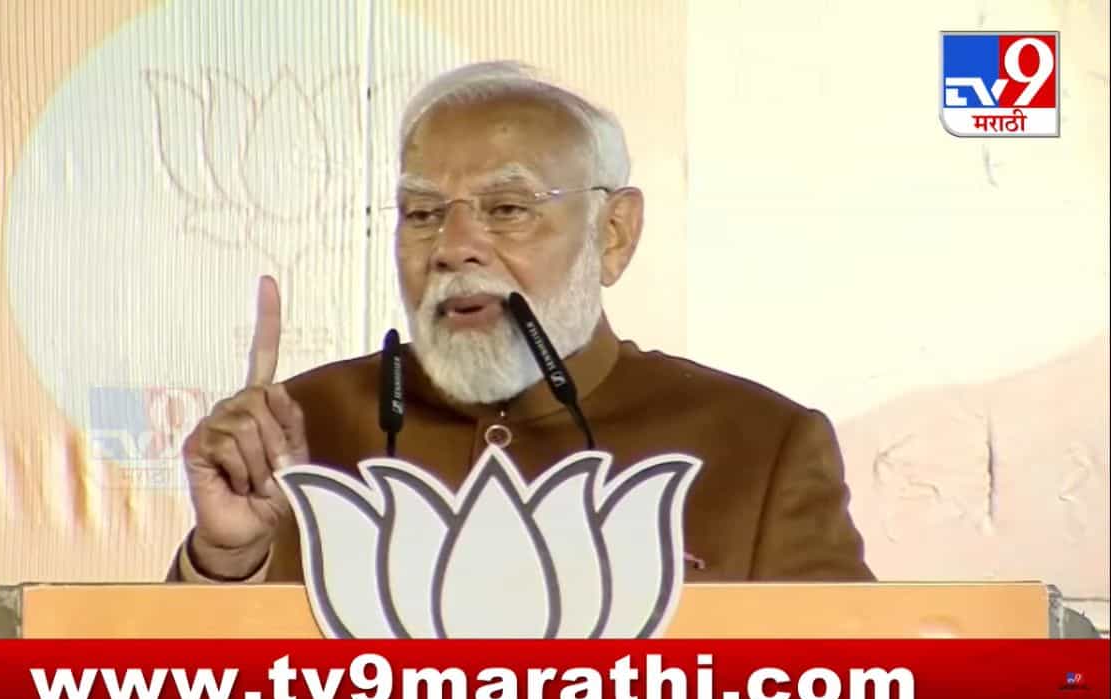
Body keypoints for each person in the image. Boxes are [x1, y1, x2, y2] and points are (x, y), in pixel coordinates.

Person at [167, 61, 874, 586]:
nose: (452, 248)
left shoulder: (761, 446)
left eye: (507, 209)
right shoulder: (293, 435)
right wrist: (226, 559)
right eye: (422, 213)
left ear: (614, 233)